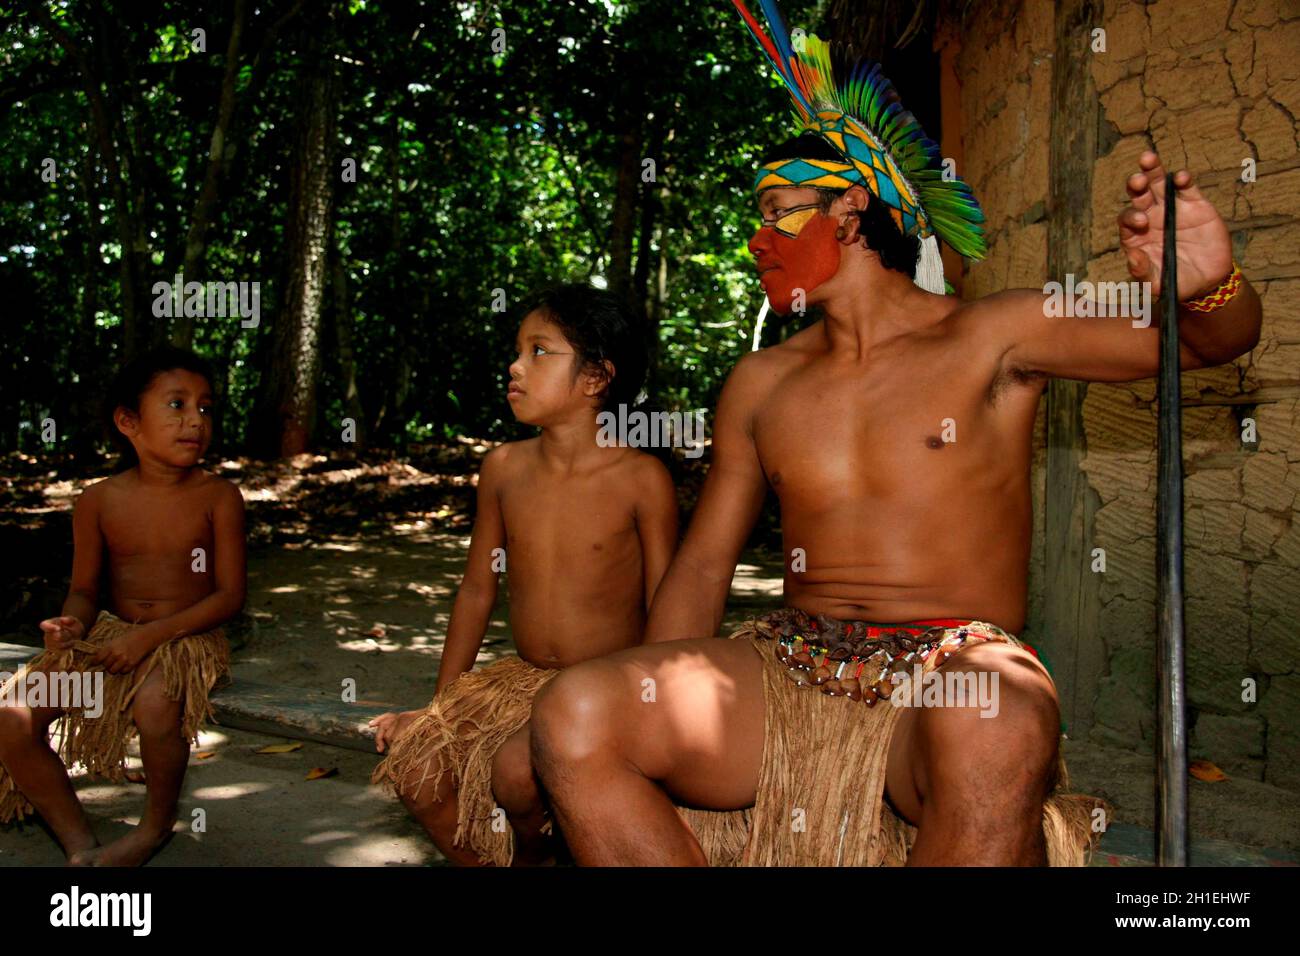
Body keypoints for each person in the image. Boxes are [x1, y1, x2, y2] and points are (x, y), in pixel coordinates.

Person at [524, 1, 1263, 866]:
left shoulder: (995, 334)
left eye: (780, 211)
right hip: (795, 667)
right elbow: (702, 564)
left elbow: (1208, 343)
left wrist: (1207, 286)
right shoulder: (762, 382)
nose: (758, 238)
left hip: (951, 676)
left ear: (850, 212)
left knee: (998, 718)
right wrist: (645, 689)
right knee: (576, 715)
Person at [369, 284, 679, 866]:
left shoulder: (640, 478)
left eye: (539, 351)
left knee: (516, 774)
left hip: (604, 687)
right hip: (521, 679)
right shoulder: (504, 469)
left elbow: (670, 606)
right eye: (517, 349)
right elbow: (478, 588)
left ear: (595, 379)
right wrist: (438, 709)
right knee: (414, 765)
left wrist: (649, 705)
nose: (515, 365)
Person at [0, 346, 244, 866]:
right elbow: (86, 590)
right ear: (128, 422)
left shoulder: (218, 497)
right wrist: (71, 625)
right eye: (176, 405)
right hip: (111, 640)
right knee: (13, 715)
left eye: (205, 407)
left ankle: (154, 828)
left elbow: (228, 596)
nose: (195, 421)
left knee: (156, 703)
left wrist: (149, 639)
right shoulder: (98, 500)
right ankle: (78, 843)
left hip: (185, 640)